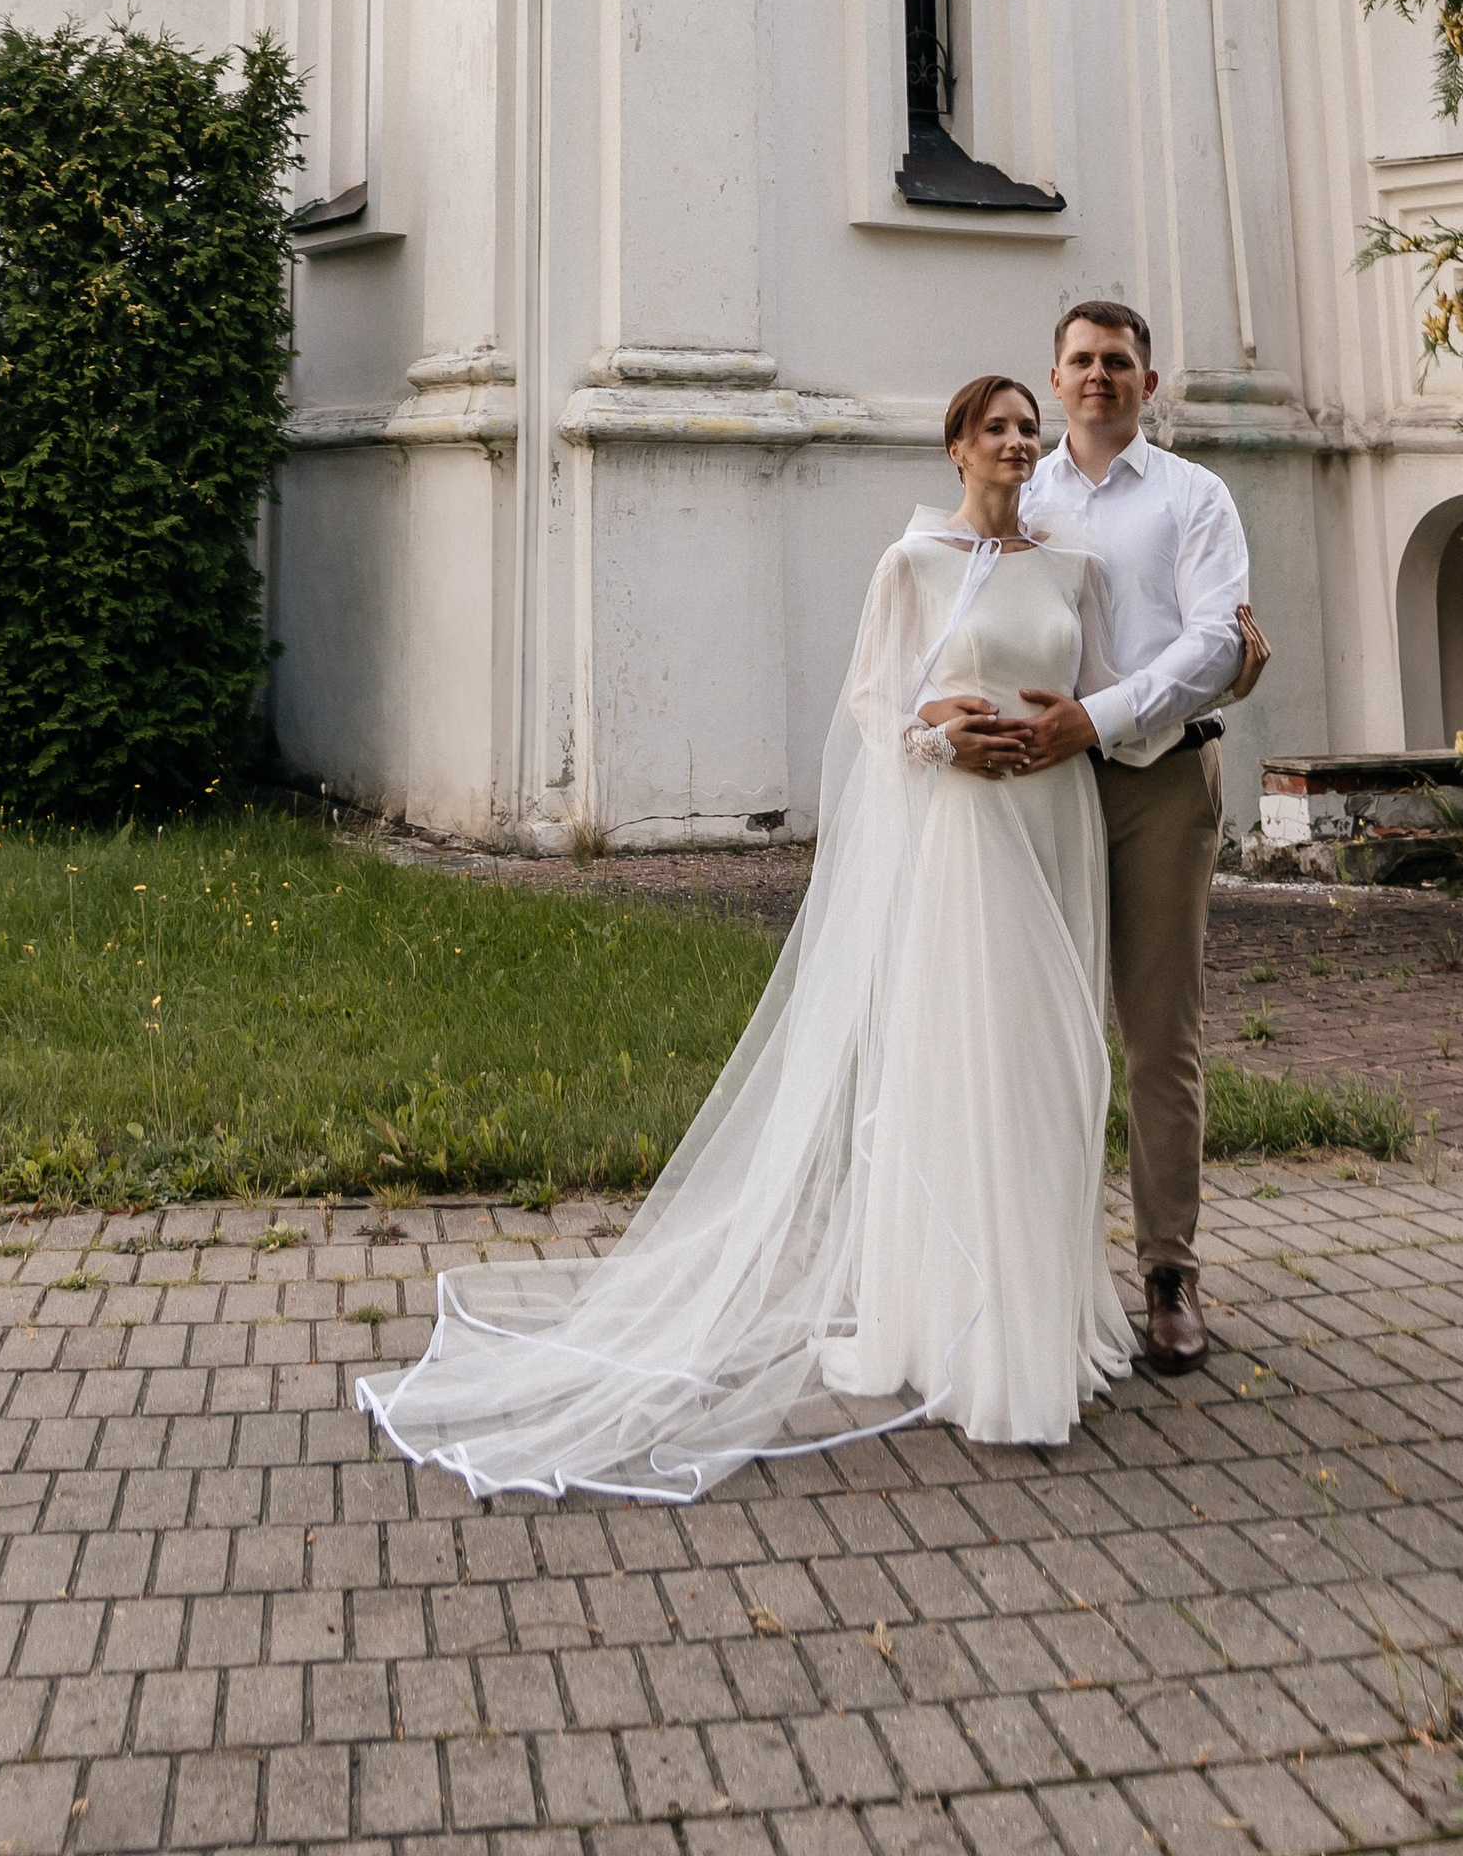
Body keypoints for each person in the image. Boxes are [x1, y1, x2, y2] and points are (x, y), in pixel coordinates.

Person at [359, 373, 1138, 1501]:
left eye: (1029, 427)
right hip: (965, 841)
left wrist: (1086, 730)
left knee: (1051, 1069)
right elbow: (872, 703)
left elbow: (1102, 693)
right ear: (957, 448)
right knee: (970, 1064)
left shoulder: (1074, 568)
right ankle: (972, 1342)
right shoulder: (911, 562)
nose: (1019, 442)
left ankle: (1048, 1319)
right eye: (997, 428)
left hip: (1051, 823)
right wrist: (936, 732)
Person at [1013, 300, 1270, 1374]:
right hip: (1044, 786)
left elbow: (1219, 641)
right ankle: (1045, 1270)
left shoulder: (1192, 498)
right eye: (1079, 360)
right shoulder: (1021, 491)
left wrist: (1104, 714)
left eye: (1117, 362)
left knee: (1158, 1036)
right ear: (1055, 374)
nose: (1098, 377)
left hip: (1161, 782)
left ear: (1147, 383)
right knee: (1042, 1026)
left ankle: (1168, 1272)